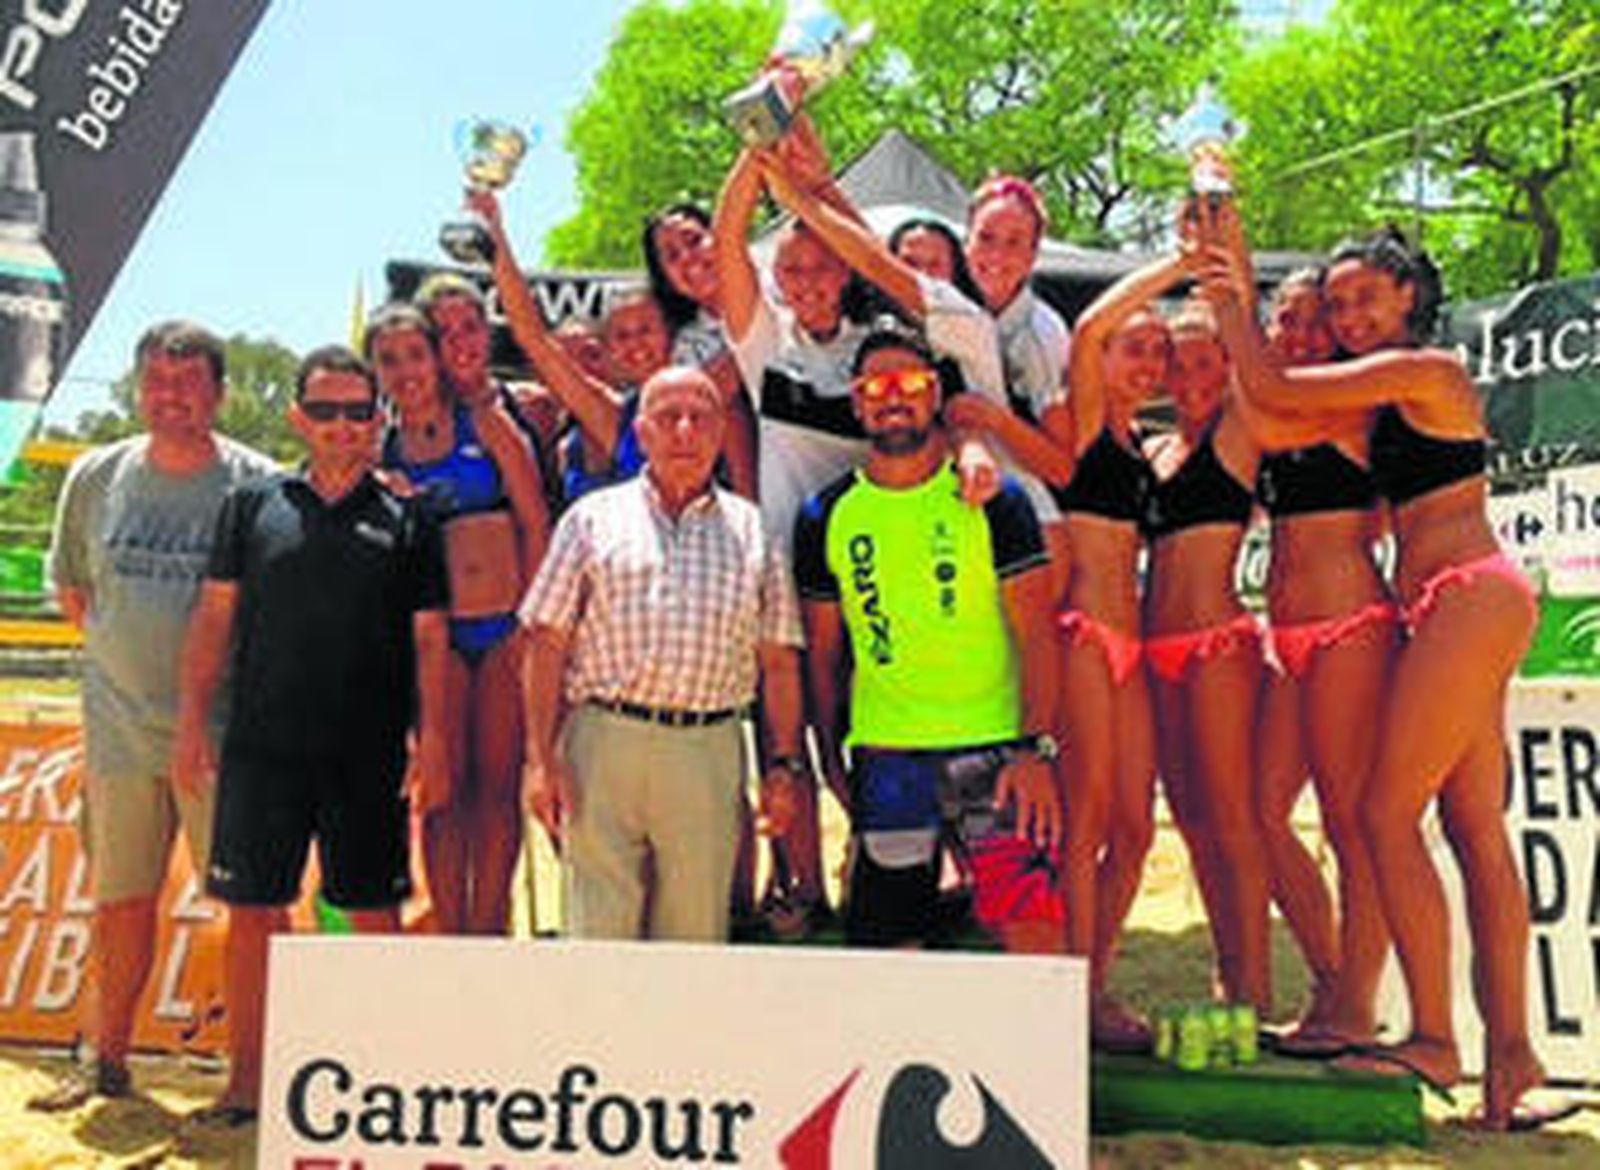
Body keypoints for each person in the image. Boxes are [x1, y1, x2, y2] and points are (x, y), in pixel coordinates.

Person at [1206, 225, 1545, 1128]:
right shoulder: (1386, 398)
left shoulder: (1426, 370)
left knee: (1384, 816)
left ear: (1409, 296)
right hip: (1444, 601)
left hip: (1468, 593)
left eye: (1364, 298)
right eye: (1338, 303)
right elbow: (1289, 417)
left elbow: (1277, 390)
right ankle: (1512, 1056)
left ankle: (1433, 1034)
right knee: (1474, 830)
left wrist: (1228, 297)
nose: (1350, 315)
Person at [171, 345, 450, 1123]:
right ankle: (247, 1083)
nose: (341, 425)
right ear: (299, 418)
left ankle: (379, 1084)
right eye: (324, 410)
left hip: (367, 754)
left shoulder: (410, 518)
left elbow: (431, 639)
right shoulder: (252, 505)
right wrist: (190, 723)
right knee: (253, 913)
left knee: (372, 915)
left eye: (357, 411)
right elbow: (214, 618)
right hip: (262, 750)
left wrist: (433, 736)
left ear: (377, 418)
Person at [31, 322, 277, 1112]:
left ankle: (251, 1079)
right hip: (120, 735)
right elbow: (76, 592)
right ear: (139, 389)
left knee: (248, 908)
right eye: (158, 381)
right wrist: (129, 672)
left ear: (220, 393)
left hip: (222, 739)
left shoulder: (258, 484)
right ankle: (104, 1061)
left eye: (189, 381)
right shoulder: (96, 476)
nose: (172, 397)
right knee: (120, 900)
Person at [796, 327, 1063, 951]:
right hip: (889, 757)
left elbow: (1038, 635)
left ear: (935, 394)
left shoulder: (996, 499)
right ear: (857, 402)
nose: (894, 397)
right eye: (876, 387)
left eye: (910, 383)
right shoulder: (824, 514)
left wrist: (1035, 750)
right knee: (890, 956)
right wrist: (832, 759)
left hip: (996, 751)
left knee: (1031, 940)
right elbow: (825, 658)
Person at [519, 366, 804, 942]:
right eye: (668, 417)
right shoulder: (591, 519)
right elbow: (545, 642)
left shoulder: (754, 532)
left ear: (721, 432)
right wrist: (540, 760)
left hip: (707, 748)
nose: (684, 431)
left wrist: (784, 763)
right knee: (597, 934)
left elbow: (778, 661)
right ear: (641, 432)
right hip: (602, 744)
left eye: (700, 418)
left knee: (694, 934)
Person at [367, 302, 549, 935]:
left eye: (415, 355)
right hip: (433, 642)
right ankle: (450, 930)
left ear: (436, 358)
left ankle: (489, 927)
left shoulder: (486, 423)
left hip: (501, 629)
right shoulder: (380, 448)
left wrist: (531, 624)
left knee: (496, 791)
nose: (406, 371)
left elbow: (534, 522)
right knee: (442, 793)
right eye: (389, 360)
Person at [1247, 268, 1388, 1055]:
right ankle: (1332, 979)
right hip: (1288, 635)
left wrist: (1232, 310)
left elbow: (1265, 416)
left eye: (1314, 322)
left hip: (1348, 626)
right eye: (1287, 321)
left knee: (1347, 820)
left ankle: (1357, 1007)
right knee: (1262, 814)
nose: (1300, 336)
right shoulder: (1278, 403)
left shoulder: (1347, 399)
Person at [1055, 252, 1175, 1051]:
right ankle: (1072, 993)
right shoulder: (1084, 419)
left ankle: (1091, 980)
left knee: (1135, 830)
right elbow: (1091, 326)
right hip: (1083, 634)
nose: (1149, 363)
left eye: (1159, 352)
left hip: (1130, 642)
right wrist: (1178, 265)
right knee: (1086, 820)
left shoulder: (1139, 442)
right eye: (1135, 348)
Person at [1141, 295, 1271, 1012]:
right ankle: (1227, 966)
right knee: (1190, 819)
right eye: (1177, 364)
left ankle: (1252, 984)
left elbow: (1258, 357)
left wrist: (1219, 275)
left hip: (1216, 641)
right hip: (1153, 646)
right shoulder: (1154, 450)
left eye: (1203, 361)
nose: (1189, 377)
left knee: (1233, 816)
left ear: (1226, 364)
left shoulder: (1240, 430)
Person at [642, 200, 757, 496]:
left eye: (694, 241)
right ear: (666, 279)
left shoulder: (776, 286)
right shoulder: (687, 348)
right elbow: (712, 401)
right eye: (672, 256)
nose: (688, 258)